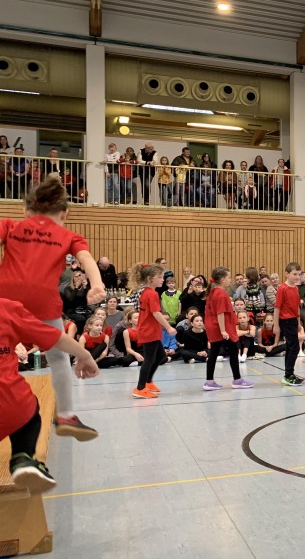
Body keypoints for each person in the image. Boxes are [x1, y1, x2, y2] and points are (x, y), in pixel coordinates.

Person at [0, 176, 105, 441]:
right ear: (64, 213)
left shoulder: (10, 226)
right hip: (44, 302)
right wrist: (96, 284)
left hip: (5, 295)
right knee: (58, 357)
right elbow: (86, 258)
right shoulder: (69, 236)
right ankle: (66, 415)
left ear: (27, 210)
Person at [1, 298, 100, 494]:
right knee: (27, 409)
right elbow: (54, 337)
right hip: (11, 406)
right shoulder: (6, 309)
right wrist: (85, 355)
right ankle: (22, 456)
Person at [130, 263, 176, 399]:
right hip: (149, 331)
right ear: (150, 279)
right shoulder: (152, 294)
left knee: (161, 357)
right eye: (160, 277)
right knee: (149, 360)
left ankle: (148, 382)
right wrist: (168, 327)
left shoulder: (146, 292)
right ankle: (140, 388)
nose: (163, 279)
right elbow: (156, 313)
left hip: (152, 330)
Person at [203, 267, 253, 391]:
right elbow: (220, 313)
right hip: (221, 327)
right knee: (233, 351)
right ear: (222, 279)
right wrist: (223, 330)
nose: (230, 280)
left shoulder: (214, 292)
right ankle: (237, 380)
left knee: (213, 353)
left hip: (214, 325)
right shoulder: (221, 293)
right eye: (229, 277)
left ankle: (209, 381)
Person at [275, 262, 305, 386]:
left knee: (290, 347)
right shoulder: (283, 288)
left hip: (293, 320)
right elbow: (277, 308)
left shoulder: (296, 288)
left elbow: (296, 307)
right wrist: (276, 325)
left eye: (299, 274)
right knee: (294, 347)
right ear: (287, 274)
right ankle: (288, 375)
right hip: (285, 321)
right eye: (294, 274)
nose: (297, 277)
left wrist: (298, 322)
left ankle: (289, 374)